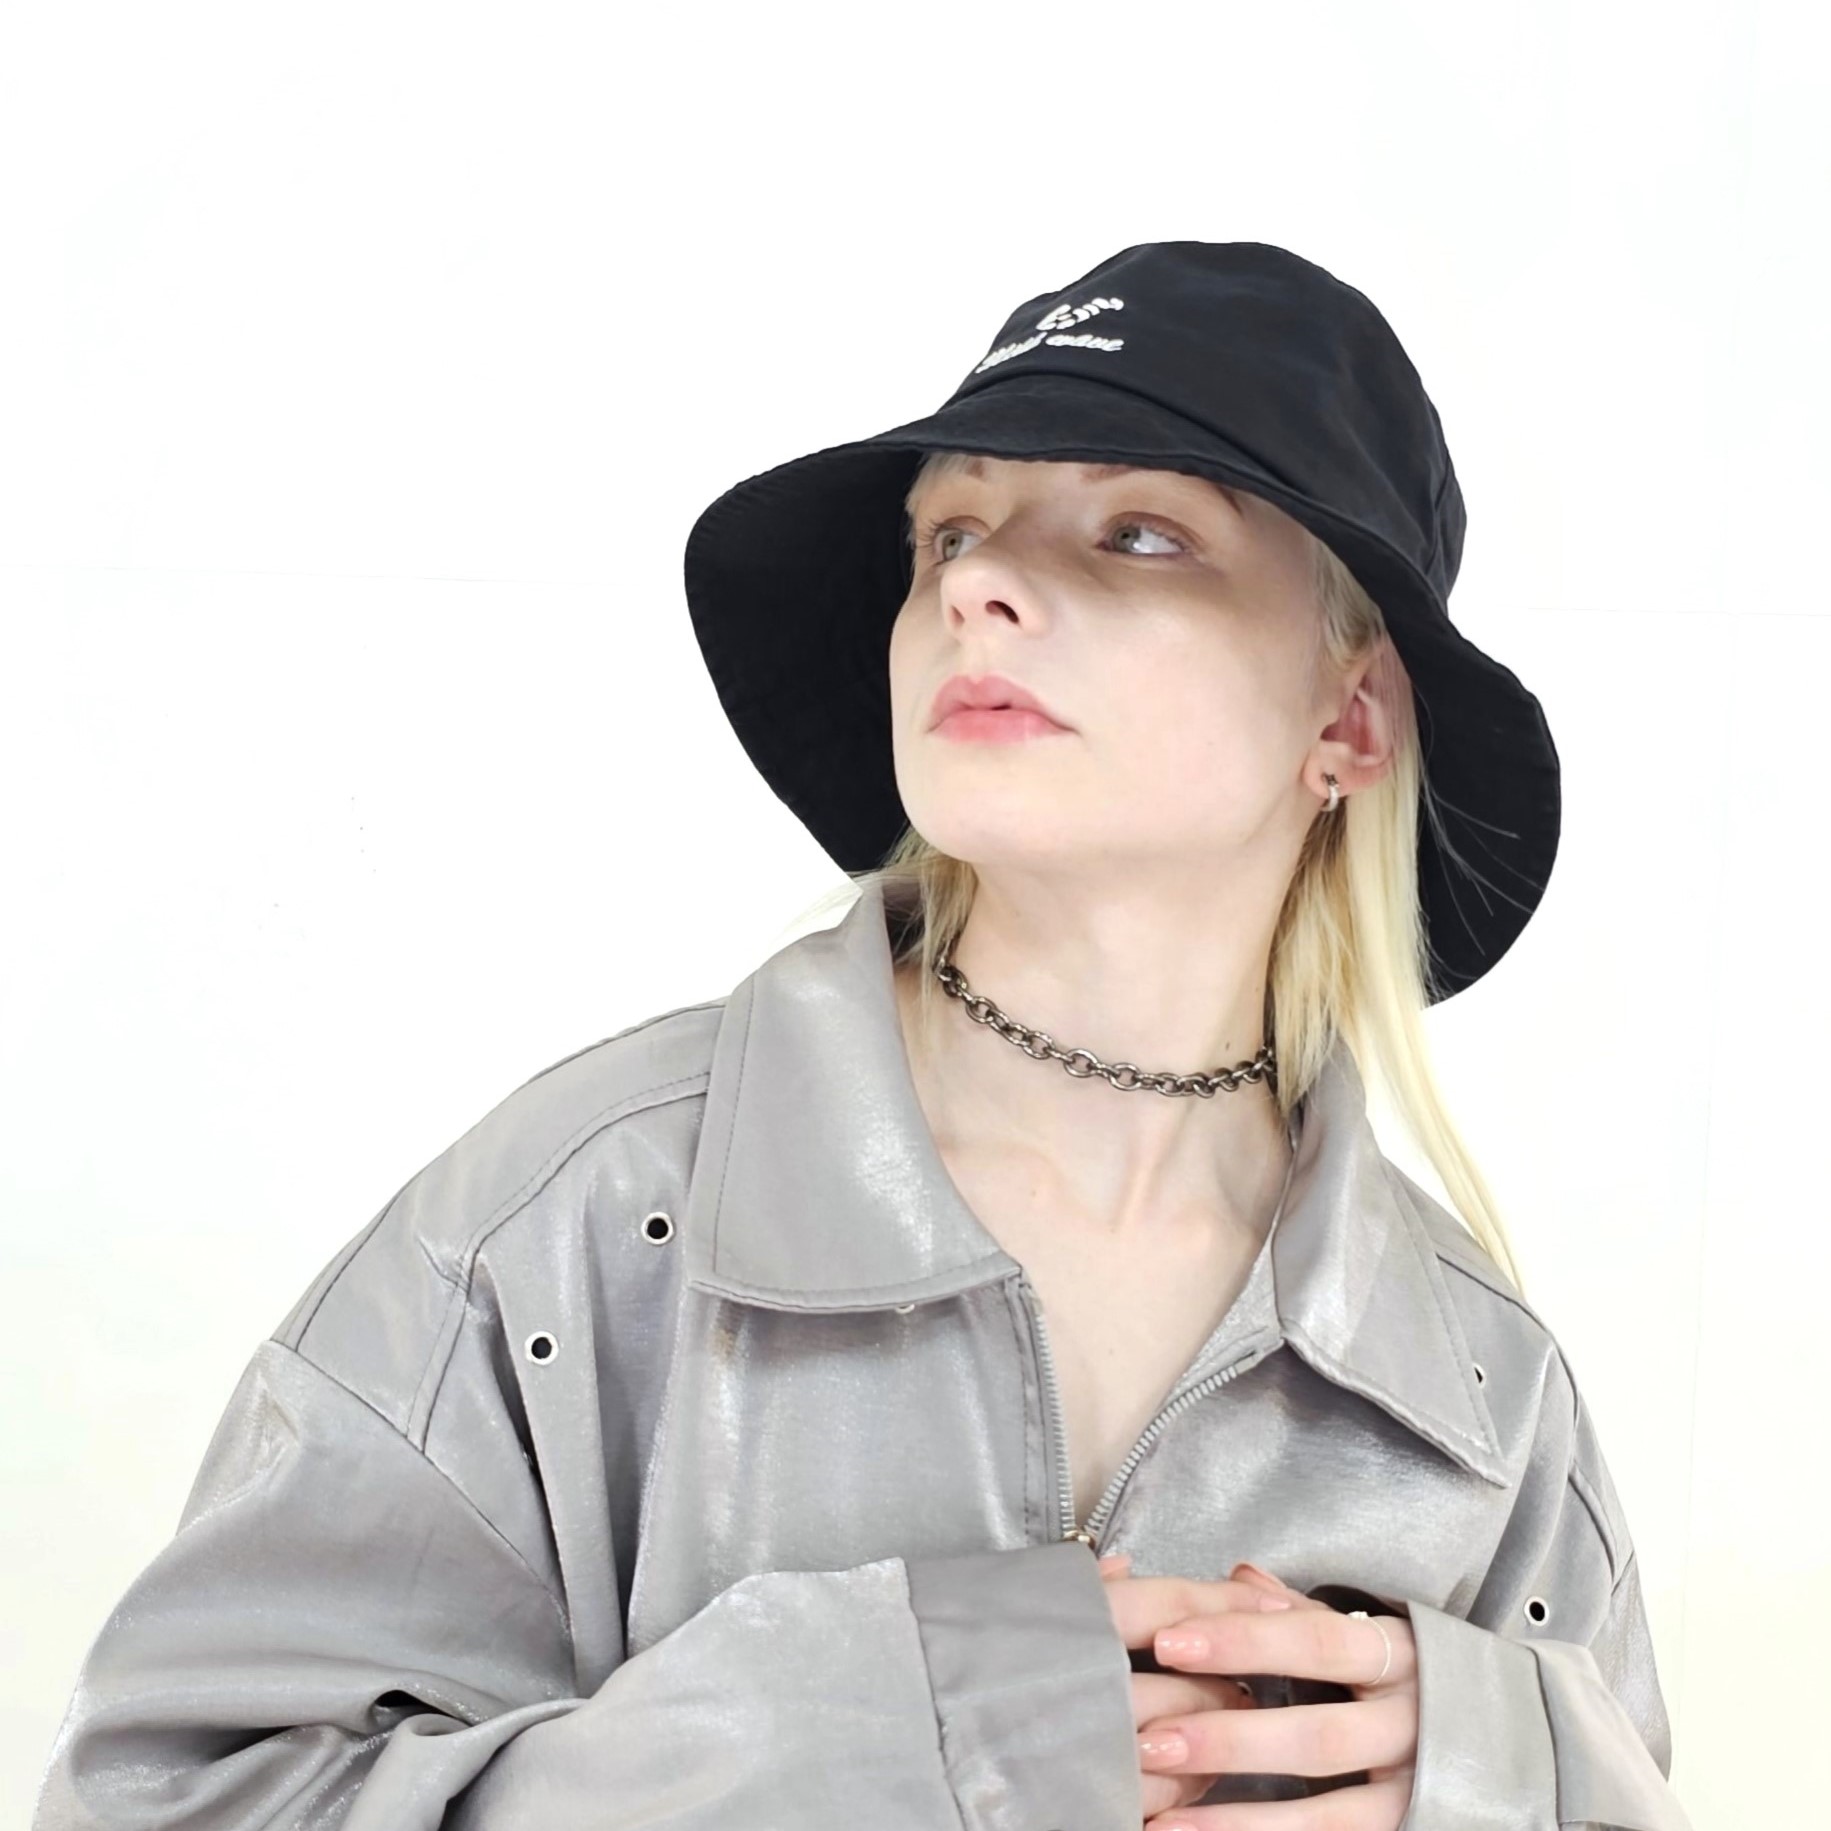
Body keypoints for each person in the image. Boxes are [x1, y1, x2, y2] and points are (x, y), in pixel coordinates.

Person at [31, 241, 1692, 1830]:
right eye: (946, 532)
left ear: (1350, 716)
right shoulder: (587, 1227)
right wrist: (856, 1745)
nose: (976, 584)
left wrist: (1508, 1783)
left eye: (1138, 534)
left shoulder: (1481, 1404)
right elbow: (165, 1805)